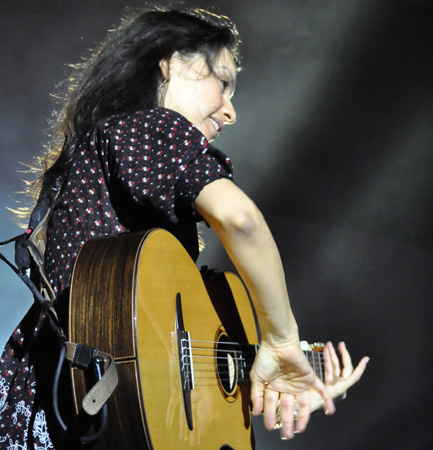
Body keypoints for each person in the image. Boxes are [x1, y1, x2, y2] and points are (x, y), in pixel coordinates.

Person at [0, 7, 368, 449]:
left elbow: (160, 371)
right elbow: (242, 220)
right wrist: (284, 341)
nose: (231, 112)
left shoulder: (111, 159)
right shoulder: (147, 129)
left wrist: (288, 382)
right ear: (169, 63)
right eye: (223, 82)